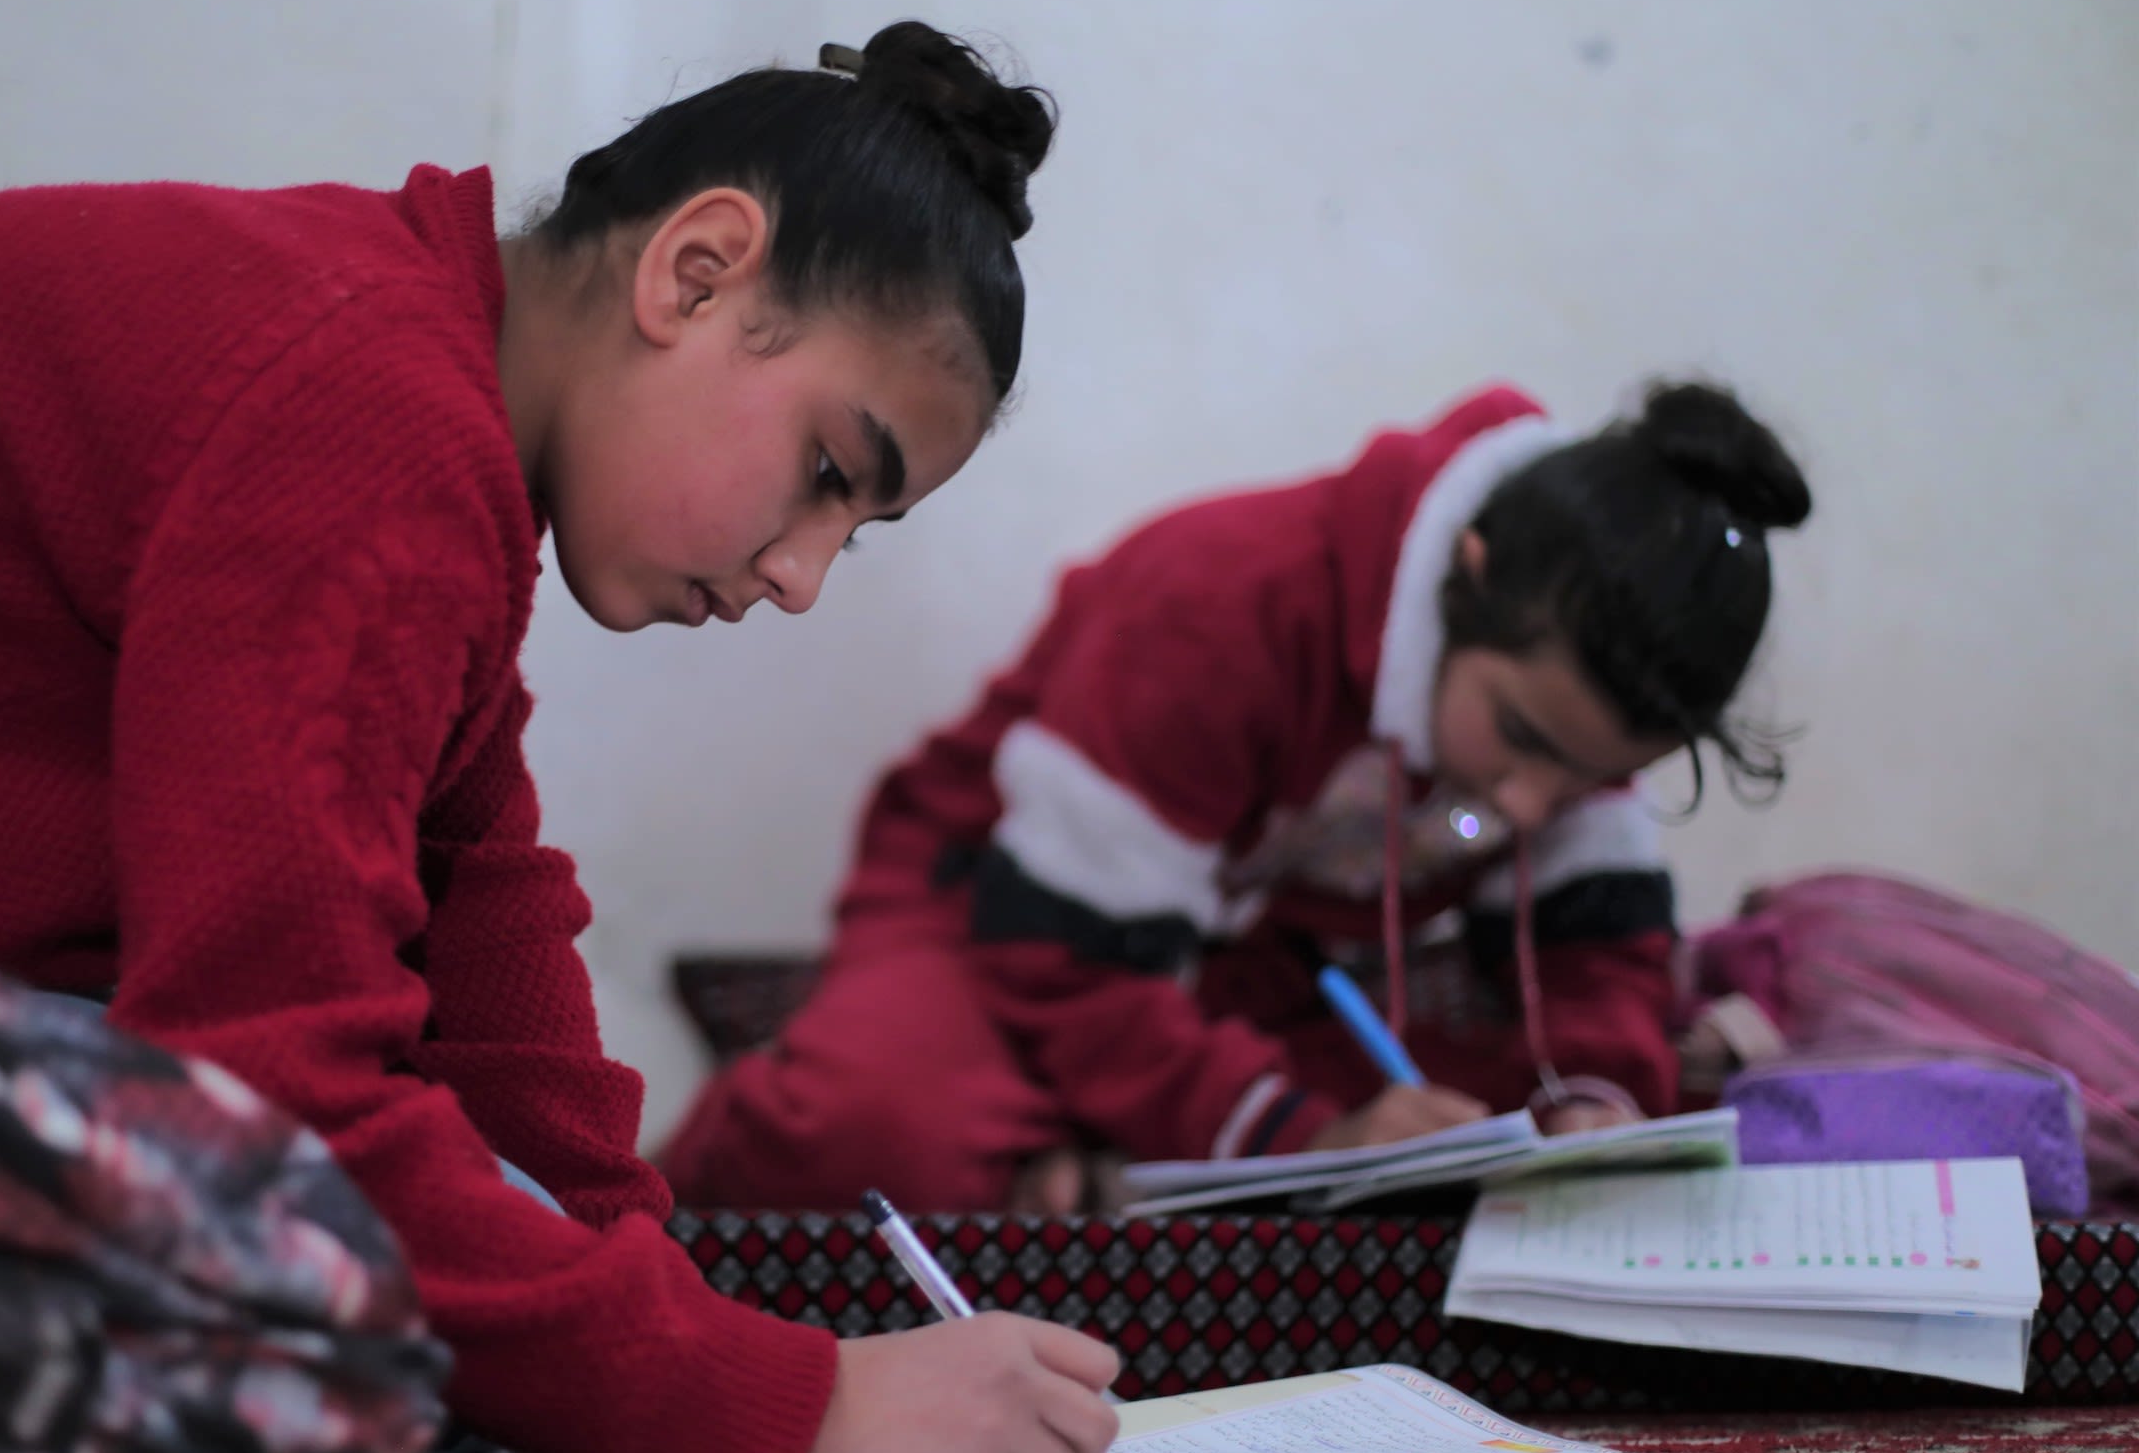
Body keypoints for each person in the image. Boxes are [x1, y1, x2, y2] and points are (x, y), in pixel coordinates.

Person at [0, 21, 1122, 1453]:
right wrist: (800, 1408)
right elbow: (269, 1081)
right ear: (697, 273)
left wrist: (699, 1341)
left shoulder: (412, 391)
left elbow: (486, 939)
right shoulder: (368, 413)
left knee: (440, 1291)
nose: (802, 573)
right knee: (313, 1342)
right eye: (829, 473)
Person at [660, 381, 1814, 1214]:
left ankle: (1105, 1152)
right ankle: (652, 1198)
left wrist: (1594, 1105)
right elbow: (1059, 963)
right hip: (1000, 920)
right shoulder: (1216, 609)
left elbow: (1594, 957)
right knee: (885, 1128)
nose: (1529, 805)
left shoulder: (1566, 706)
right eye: (1518, 741)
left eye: (1589, 776)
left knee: (1514, 1140)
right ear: (1463, 583)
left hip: (1246, 970)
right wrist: (1298, 1139)